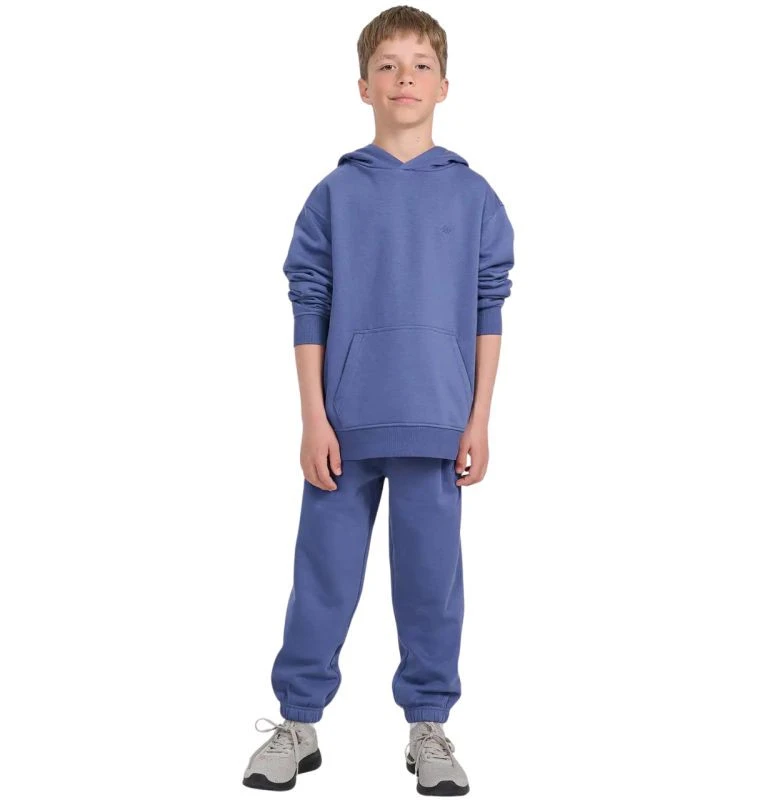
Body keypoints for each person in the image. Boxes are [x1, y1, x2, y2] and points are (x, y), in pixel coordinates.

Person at [243, 5, 514, 795]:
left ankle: (428, 726)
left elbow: (489, 305)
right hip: (346, 424)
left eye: (421, 65)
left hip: (438, 421)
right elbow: (308, 301)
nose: (404, 78)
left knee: (431, 584)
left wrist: (479, 418)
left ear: (445, 85)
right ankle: (298, 722)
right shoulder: (335, 193)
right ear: (363, 85)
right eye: (387, 65)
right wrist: (313, 418)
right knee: (322, 577)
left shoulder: (473, 196)